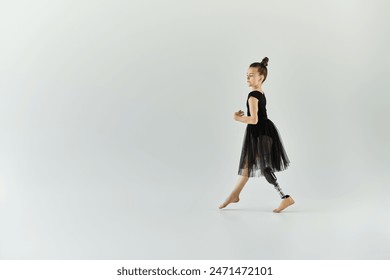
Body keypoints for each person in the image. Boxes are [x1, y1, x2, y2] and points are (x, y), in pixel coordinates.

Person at [219, 57, 295, 213]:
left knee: (264, 167)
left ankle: (285, 198)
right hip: (263, 133)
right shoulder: (259, 92)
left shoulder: (253, 94)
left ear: (261, 78)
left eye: (251, 75)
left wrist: (237, 117)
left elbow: (254, 119)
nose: (248, 77)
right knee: (246, 168)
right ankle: (234, 195)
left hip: (260, 134)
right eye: (246, 75)